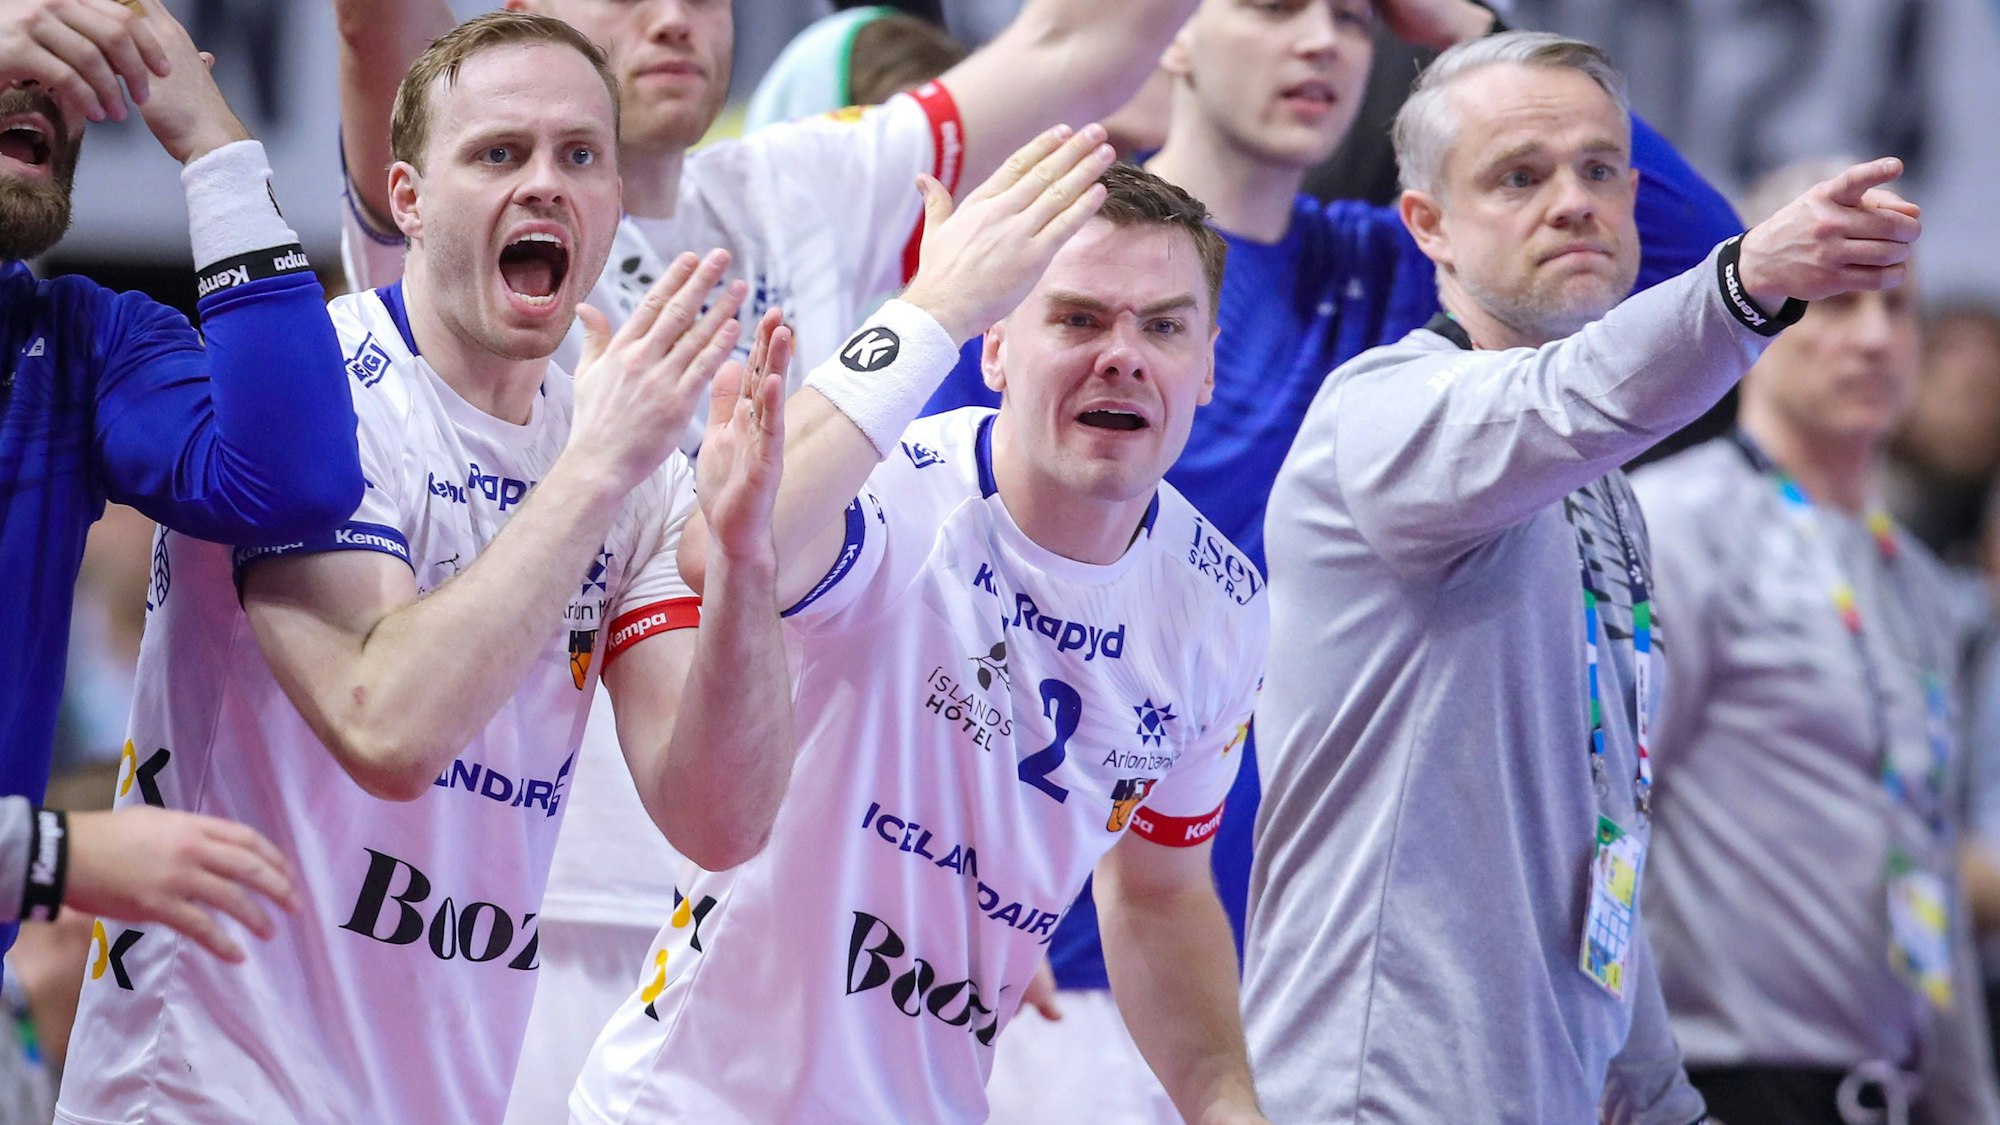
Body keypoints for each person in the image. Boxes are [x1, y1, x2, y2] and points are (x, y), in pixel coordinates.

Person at [331, 1, 1214, 1116]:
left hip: (750, 898)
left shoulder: (806, 184)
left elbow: (1068, 47)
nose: (672, 18)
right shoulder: (459, 208)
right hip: (484, 897)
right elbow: (375, 30)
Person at [918, 7, 1741, 1115]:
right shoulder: (1074, 259)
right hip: (1069, 940)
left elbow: (1686, 262)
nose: (1319, 42)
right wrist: (961, 874)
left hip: (1299, 936)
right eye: (1269, 4)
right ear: (1167, 27)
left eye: (1352, 17)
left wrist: (1459, 27)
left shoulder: (1375, 264)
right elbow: (948, 573)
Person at [56, 13, 788, 1123]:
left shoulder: (618, 445)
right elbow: (386, 725)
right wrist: (593, 472)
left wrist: (740, 556)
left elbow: (717, 818)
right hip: (209, 1085)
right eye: (500, 154)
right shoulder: (324, 395)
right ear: (407, 198)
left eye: (578, 156)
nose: (546, 185)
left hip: (437, 1088)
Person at [1243, 31, 1921, 1125]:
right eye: (1519, 175)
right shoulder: (1381, 413)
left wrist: (1655, 1090)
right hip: (1372, 1100)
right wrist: (1743, 283)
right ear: (1428, 226)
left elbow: (1601, 827)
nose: (1572, 202)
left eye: (1597, 169)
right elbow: (1566, 398)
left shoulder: (1597, 491)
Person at [571, 133, 1271, 1125]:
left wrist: (1228, 1106)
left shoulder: (1220, 604)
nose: (1121, 355)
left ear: (1205, 367)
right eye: (1075, 318)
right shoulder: (903, 488)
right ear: (993, 344)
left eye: (1163, 328)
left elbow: (1157, 897)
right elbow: (729, 543)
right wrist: (932, 305)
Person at [0, 0, 363, 974]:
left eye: (68, 62)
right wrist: (45, 855)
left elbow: (293, 483)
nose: (42, 81)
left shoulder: (81, 342)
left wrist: (216, 151)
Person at [1633, 160, 2000, 1125]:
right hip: (1727, 1083)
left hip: (1892, 1088)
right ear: (1763, 314)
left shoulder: (1918, 576)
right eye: (1834, 307)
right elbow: (1606, 825)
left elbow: (1926, 847)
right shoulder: (1677, 523)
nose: (1875, 340)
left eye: (1898, 308)